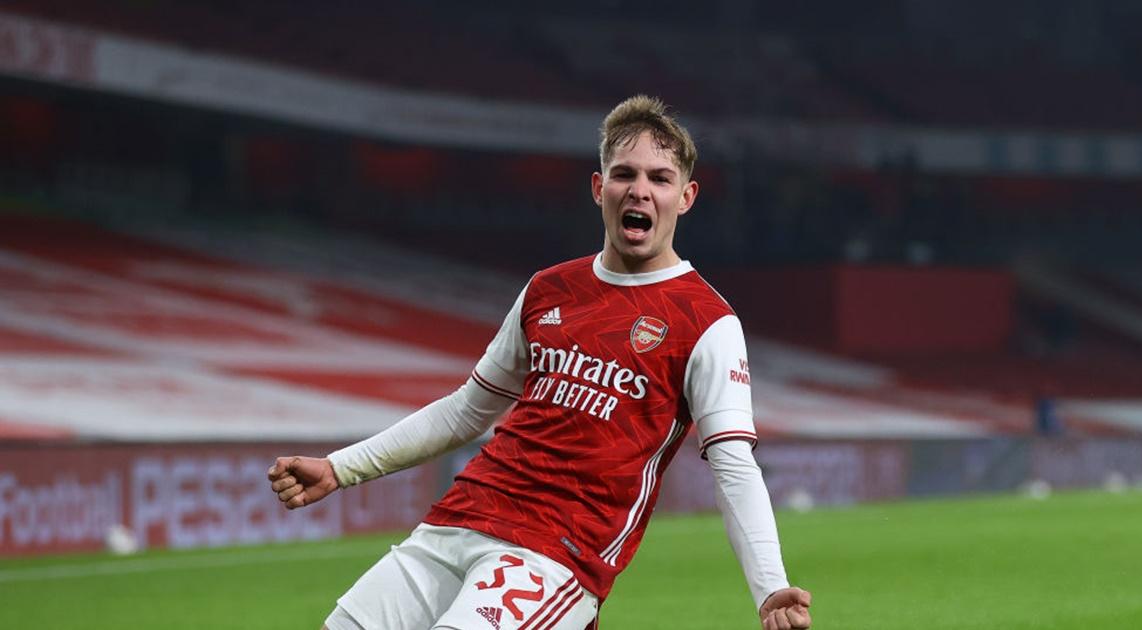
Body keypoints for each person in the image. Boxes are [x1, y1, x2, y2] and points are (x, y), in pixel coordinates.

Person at [268, 95, 814, 630]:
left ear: (686, 196)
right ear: (599, 187)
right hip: (457, 520)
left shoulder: (706, 320)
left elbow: (733, 465)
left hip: (556, 554)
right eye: (624, 174)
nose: (640, 190)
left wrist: (769, 587)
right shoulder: (548, 289)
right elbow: (466, 411)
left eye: (660, 178)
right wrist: (340, 468)